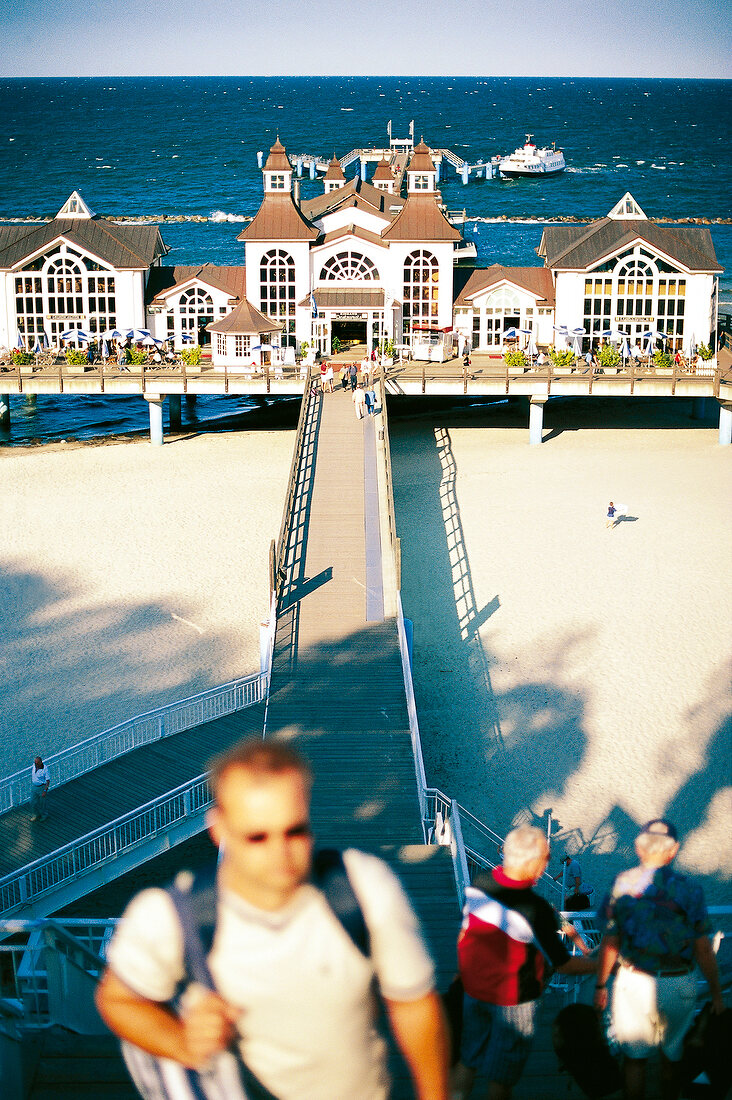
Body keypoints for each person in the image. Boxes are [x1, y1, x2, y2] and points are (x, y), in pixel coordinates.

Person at [95, 740, 449, 1100]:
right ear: (218, 829)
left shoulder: (364, 888)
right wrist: (183, 1043)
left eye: (295, 831)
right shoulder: (171, 915)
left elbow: (413, 1003)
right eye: (257, 837)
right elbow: (119, 999)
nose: (280, 853)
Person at [451, 825, 597, 1100]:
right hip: (514, 1001)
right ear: (532, 862)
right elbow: (564, 964)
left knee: (467, 1060)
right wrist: (600, 965)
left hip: (474, 990)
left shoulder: (480, 882)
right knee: (501, 1077)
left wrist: (462, 974)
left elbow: (465, 932)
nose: (547, 865)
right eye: (546, 858)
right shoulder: (535, 909)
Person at [593, 819, 725, 1100]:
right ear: (673, 850)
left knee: (635, 1060)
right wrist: (715, 993)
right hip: (680, 984)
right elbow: (703, 949)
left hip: (634, 982)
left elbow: (610, 942)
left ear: (639, 849)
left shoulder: (622, 884)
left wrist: (601, 985)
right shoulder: (691, 890)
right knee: (672, 1057)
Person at [30, 755, 50, 821]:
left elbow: (48, 781)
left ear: (41, 762)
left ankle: (44, 815)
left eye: (37, 763)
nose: (36, 764)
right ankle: (35, 814)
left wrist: (44, 790)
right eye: (35, 762)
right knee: (32, 802)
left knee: (42, 803)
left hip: (41, 787)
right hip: (34, 786)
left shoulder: (45, 769)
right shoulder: (34, 765)